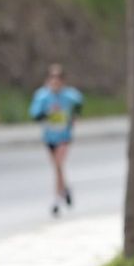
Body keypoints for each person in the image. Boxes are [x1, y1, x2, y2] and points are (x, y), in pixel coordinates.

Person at [29, 64, 84, 216]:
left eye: (58, 78)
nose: (55, 81)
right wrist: (46, 115)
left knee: (59, 164)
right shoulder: (42, 96)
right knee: (57, 167)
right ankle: (65, 189)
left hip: (64, 137)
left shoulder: (70, 95)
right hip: (49, 137)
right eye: (53, 78)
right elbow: (34, 114)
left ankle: (57, 200)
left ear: (63, 81)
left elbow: (79, 104)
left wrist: (74, 116)